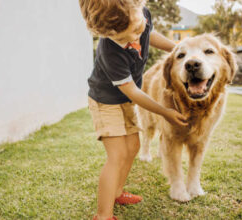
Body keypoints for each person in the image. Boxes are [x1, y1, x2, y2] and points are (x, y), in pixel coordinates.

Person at [78, 1, 188, 219]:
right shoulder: (110, 50)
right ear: (108, 34)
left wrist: (177, 49)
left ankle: (117, 192)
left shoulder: (141, 16)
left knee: (133, 146)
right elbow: (134, 93)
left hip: (125, 99)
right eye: (122, 38)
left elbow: (149, 34)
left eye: (137, 30)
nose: (133, 39)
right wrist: (164, 112)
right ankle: (103, 215)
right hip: (105, 101)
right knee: (117, 155)